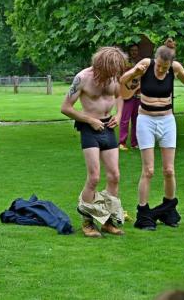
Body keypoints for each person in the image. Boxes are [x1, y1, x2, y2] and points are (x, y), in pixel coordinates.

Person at [119, 38, 184, 230]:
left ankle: (168, 210)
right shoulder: (145, 64)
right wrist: (134, 73)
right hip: (146, 120)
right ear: (155, 59)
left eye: (166, 68)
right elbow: (123, 84)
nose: (162, 70)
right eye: (160, 66)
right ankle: (143, 213)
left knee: (169, 170)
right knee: (148, 170)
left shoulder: (174, 68)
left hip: (167, 120)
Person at [61, 46, 128, 237]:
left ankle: (107, 221)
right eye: (111, 71)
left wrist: (119, 114)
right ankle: (88, 222)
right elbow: (65, 108)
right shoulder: (82, 78)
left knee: (114, 176)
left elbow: (120, 96)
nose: (114, 75)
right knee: (94, 177)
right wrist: (90, 120)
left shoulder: (114, 76)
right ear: (101, 66)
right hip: (89, 129)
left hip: (108, 128)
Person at [119, 44, 142, 151]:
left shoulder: (142, 63)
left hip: (138, 95)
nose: (134, 52)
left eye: (136, 50)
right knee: (125, 119)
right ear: (129, 52)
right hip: (127, 93)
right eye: (132, 50)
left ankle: (134, 142)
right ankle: (122, 142)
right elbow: (121, 78)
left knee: (137, 120)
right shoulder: (125, 64)